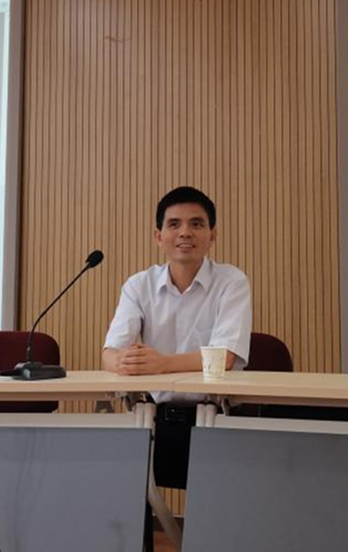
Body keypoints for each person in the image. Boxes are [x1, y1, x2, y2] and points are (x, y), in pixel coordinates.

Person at [102, 186, 252, 489]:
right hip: (154, 418)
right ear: (158, 236)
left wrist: (161, 364)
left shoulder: (231, 281)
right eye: (174, 224)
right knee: (120, 482)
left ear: (212, 235)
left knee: (217, 496)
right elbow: (109, 354)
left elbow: (224, 358)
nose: (185, 232)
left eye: (196, 224)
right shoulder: (139, 285)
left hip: (219, 419)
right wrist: (125, 361)